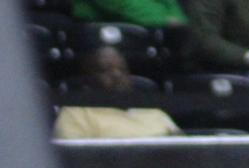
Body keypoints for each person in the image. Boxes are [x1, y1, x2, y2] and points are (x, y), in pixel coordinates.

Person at [52, 45, 181, 139]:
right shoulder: (75, 113)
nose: (117, 75)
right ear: (88, 81)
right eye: (105, 70)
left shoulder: (153, 111)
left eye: (122, 69)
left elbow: (183, 150)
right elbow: (73, 164)